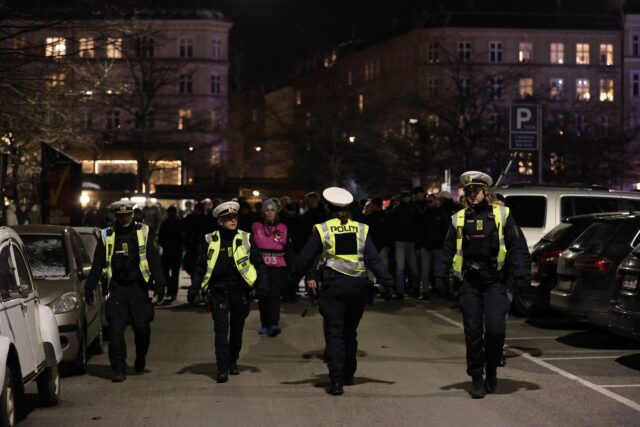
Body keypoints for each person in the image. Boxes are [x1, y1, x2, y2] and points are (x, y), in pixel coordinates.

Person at [434, 171, 530, 399]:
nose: (471, 195)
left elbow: (517, 247)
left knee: (496, 331)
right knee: (473, 333)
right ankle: (477, 377)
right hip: (469, 283)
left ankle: (492, 369)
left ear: (485, 192)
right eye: (467, 191)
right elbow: (447, 249)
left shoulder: (502, 214)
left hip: (495, 281)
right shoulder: (458, 218)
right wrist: (439, 275)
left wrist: (521, 274)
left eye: (475, 190)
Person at [290, 187, 393, 396]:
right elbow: (373, 259)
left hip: (333, 287)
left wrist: (290, 281)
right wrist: (388, 282)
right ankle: (349, 374)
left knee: (335, 333)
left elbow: (305, 258)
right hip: (357, 288)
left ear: (328, 208)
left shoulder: (323, 229)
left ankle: (336, 381)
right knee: (350, 332)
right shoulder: (361, 229)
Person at [84, 201, 166, 382]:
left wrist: (160, 283)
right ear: (116, 216)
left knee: (142, 329)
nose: (123, 219)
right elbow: (98, 263)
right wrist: (90, 285)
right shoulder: (107, 235)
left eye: (127, 215)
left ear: (132, 214)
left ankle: (140, 357)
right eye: (120, 216)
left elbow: (153, 258)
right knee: (115, 330)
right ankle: (118, 368)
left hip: (138, 289)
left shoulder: (143, 231)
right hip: (117, 289)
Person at [194, 201, 268, 383]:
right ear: (220, 221)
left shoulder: (246, 238)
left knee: (236, 331)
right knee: (221, 330)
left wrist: (262, 285)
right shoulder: (209, 239)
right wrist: (195, 288)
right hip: (218, 291)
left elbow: (259, 264)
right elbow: (200, 267)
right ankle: (222, 367)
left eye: (234, 217)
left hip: (239, 291)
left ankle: (232, 360)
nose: (233, 220)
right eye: (228, 218)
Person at [252, 199, 292, 336]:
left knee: (275, 296)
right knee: (263, 296)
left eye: (272, 210)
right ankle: (265, 324)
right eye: (267, 210)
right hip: (261, 268)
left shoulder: (283, 227)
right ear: (262, 212)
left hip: (278, 267)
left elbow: (287, 248)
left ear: (276, 212)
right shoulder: (255, 226)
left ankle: (274, 323)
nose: (270, 213)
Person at [390, 191, 420, 299]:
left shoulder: (414, 209)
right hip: (401, 241)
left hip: (409, 241)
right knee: (401, 268)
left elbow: (419, 225)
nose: (406, 199)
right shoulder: (398, 210)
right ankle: (400, 291)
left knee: (411, 267)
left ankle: (413, 288)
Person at [158, 205, 183, 303]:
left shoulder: (168, 223)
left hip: (170, 251)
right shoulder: (177, 222)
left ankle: (171, 291)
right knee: (172, 273)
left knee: (170, 272)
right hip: (173, 251)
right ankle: (172, 291)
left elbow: (160, 237)